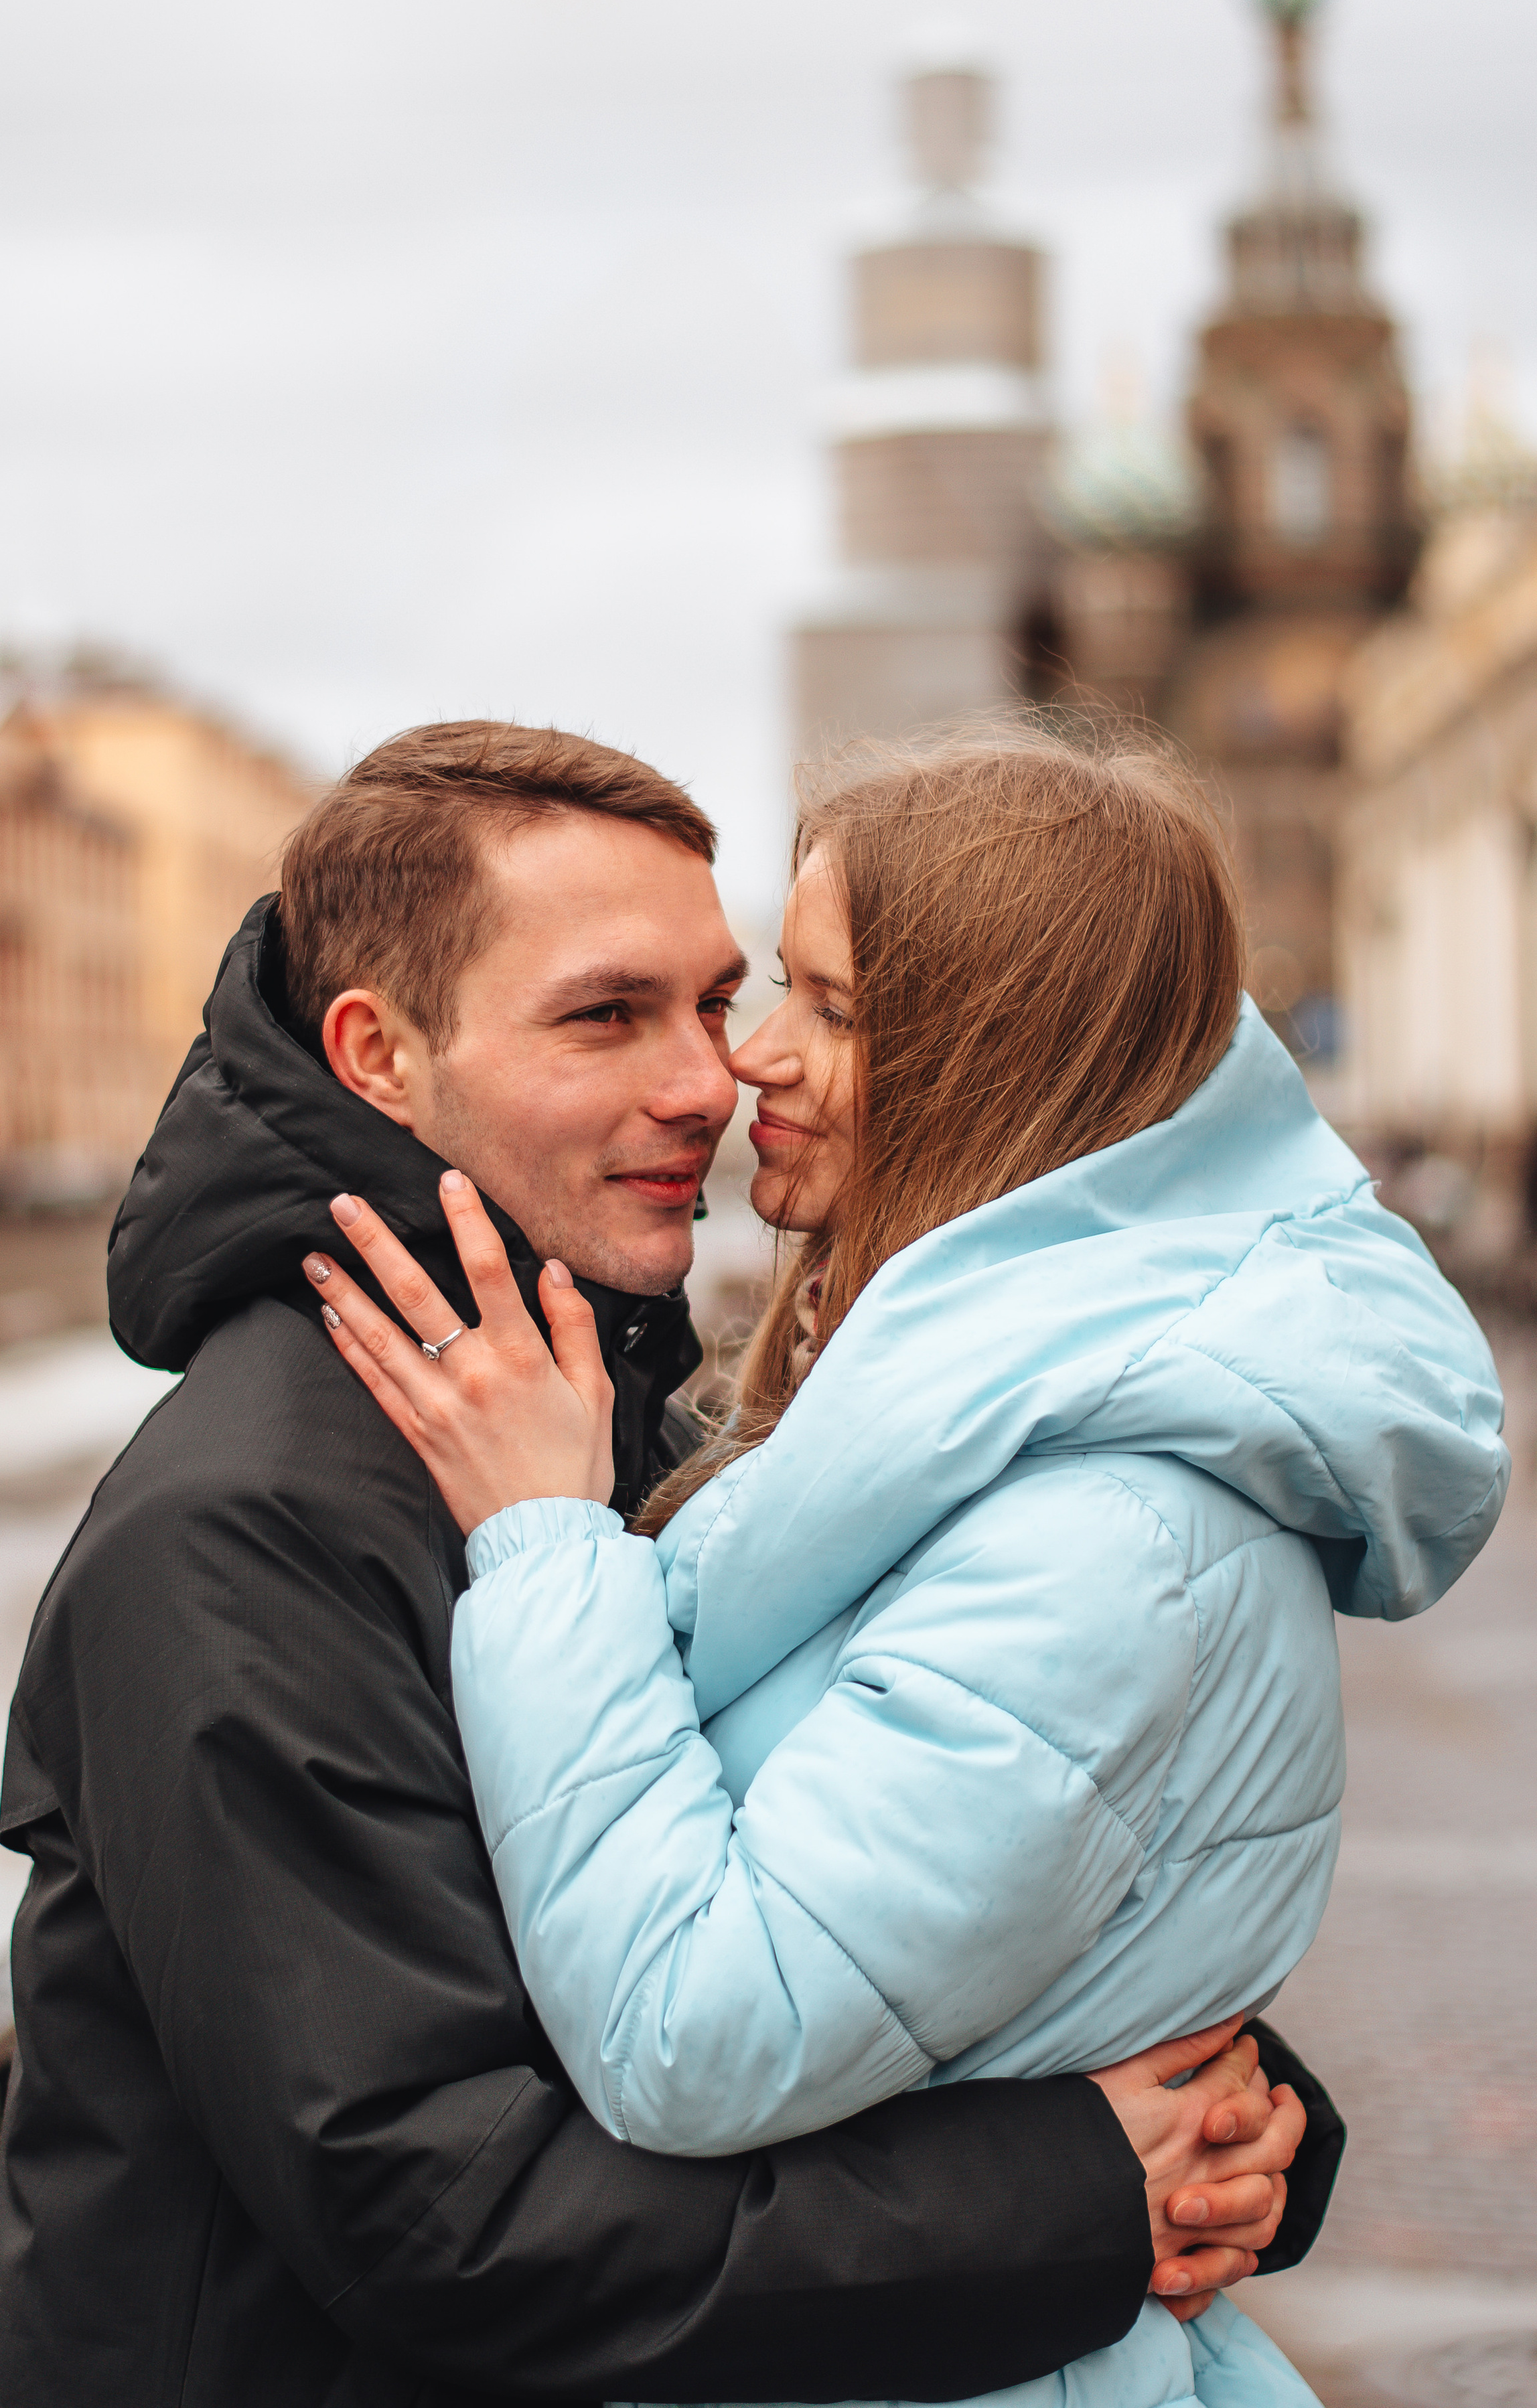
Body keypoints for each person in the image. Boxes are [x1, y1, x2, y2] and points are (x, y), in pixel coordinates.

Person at [0, 723, 1326, 2408]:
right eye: (604, 1015)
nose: (712, 1077)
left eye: (717, 998)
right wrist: (1076, 2195)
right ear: (378, 1056)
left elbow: (882, 1897)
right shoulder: (245, 1527)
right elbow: (438, 2207)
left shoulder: (588, 1414)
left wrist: (1230, 2120)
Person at [301, 729, 1509, 2408]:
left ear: (1006, 1061)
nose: (749, 1069)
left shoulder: (1102, 1533)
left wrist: (546, 1545)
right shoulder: (943, 1437)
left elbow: (691, 2031)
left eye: (835, 1009)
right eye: (770, 996)